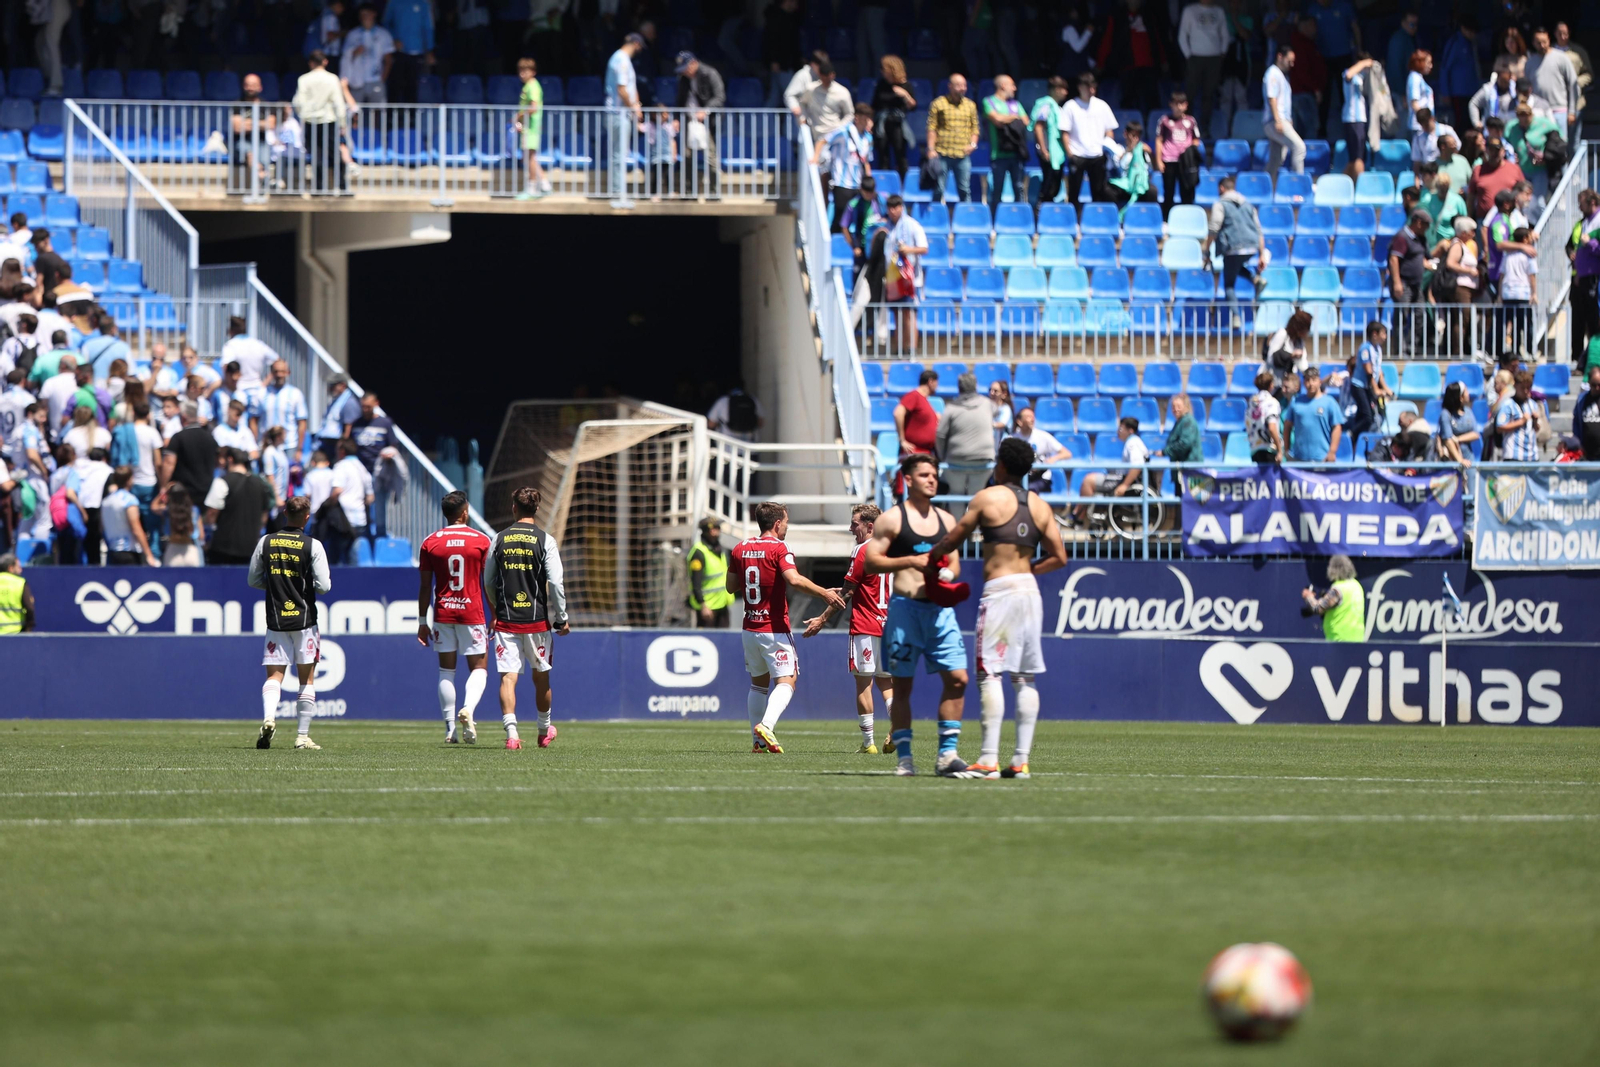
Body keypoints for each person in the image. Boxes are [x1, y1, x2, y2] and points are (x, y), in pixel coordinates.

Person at [863, 454, 982, 778]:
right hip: (905, 610)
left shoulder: (946, 518)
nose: (932, 479)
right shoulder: (892, 519)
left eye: (934, 474)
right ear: (909, 479)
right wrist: (911, 563)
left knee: (958, 679)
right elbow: (871, 562)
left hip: (940, 613)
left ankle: (947, 756)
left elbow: (954, 562)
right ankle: (905, 759)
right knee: (902, 687)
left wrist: (948, 575)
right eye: (925, 474)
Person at [728, 500, 846, 754]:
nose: (787, 528)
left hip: (750, 628)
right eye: (787, 523)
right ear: (778, 523)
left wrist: (755, 572)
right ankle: (767, 726)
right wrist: (823, 593)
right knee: (787, 680)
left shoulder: (740, 547)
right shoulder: (780, 547)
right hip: (774, 628)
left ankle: (757, 742)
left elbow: (731, 586)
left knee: (758, 684)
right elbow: (793, 579)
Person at [799, 503, 894, 752]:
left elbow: (848, 592)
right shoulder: (894, 550)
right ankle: (897, 726)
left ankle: (868, 743)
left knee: (864, 683)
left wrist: (822, 619)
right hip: (891, 626)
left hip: (865, 625)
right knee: (888, 682)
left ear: (869, 526)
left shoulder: (862, 550)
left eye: (855, 523)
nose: (851, 528)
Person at [486, 486, 570, 750]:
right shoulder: (546, 540)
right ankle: (544, 731)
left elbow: (488, 580)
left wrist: (496, 607)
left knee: (508, 678)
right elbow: (555, 583)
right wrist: (562, 617)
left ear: (514, 508)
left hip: (507, 620)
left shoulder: (498, 538)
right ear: (537, 509)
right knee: (541, 677)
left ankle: (512, 735)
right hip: (536, 622)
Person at [249, 496, 332, 750]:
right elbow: (325, 586)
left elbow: (253, 579)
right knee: (306, 679)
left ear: (285, 512)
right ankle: (302, 736)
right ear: (307, 517)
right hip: (305, 620)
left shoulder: (266, 542)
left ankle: (268, 718)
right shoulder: (313, 546)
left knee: (274, 676)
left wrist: (274, 587)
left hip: (276, 621)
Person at [417, 490, 494, 744]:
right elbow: (488, 584)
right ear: (464, 513)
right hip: (472, 613)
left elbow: (425, 586)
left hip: (443, 613)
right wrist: (494, 614)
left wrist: (421, 622)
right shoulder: (481, 541)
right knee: (480, 668)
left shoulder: (430, 541)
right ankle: (468, 710)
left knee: (445, 671)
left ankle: (450, 729)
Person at [204, 447, 272, 566]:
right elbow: (264, 516)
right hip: (250, 548)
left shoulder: (222, 482)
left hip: (223, 550)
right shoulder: (260, 484)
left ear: (230, 460)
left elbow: (211, 514)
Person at [1077, 416, 1153, 521]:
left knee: (1088, 481)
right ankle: (1078, 515)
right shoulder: (1134, 441)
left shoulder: (1133, 443)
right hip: (1123, 477)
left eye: (1121, 429)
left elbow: (1137, 466)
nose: (1118, 431)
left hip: (1125, 480)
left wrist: (1124, 485)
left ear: (1130, 431)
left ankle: (1078, 518)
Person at [1207, 175, 1268, 300]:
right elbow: (1259, 231)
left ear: (1221, 188)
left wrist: (1207, 250)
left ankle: (1235, 318)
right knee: (1235, 266)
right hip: (1252, 247)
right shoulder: (1248, 205)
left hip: (1232, 247)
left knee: (1229, 285)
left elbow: (1213, 229)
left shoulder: (1220, 204)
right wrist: (1261, 254)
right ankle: (1255, 279)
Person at [294, 52, 348, 194]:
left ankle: (319, 187)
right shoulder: (332, 79)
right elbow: (339, 103)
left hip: (311, 122)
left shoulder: (304, 79)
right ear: (325, 62)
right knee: (334, 153)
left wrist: (303, 116)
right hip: (329, 121)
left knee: (316, 155)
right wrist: (342, 122)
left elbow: (299, 102)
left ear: (310, 63)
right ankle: (342, 186)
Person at [675, 51, 726, 197]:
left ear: (693, 63)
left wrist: (706, 110)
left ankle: (714, 192)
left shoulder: (710, 73)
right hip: (689, 122)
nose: (684, 72)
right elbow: (680, 100)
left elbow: (720, 97)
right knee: (687, 156)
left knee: (710, 156)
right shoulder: (683, 78)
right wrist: (677, 118)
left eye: (686, 68)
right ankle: (690, 191)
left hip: (707, 123)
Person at [1062, 72, 1119, 203]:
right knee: (1074, 192)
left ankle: (1096, 220)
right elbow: (1065, 132)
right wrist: (1070, 154)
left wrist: (1106, 149)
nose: (1091, 90)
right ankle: (1074, 219)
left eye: (1093, 87)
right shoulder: (1070, 106)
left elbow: (1109, 130)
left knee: (1098, 192)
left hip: (1098, 156)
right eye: (1088, 87)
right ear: (1080, 87)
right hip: (1077, 155)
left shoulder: (1102, 105)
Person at [935, 372, 995, 496]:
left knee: (956, 494)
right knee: (977, 495)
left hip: (956, 459)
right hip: (983, 459)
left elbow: (940, 434)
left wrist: (942, 456)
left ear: (959, 387)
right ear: (975, 386)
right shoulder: (988, 404)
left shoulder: (951, 408)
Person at [881, 195, 928, 352]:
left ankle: (911, 349)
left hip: (909, 279)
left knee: (909, 313)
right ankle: (899, 349)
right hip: (892, 278)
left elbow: (924, 248)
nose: (893, 211)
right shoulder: (887, 226)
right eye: (890, 208)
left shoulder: (913, 225)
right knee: (896, 314)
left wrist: (908, 250)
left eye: (896, 207)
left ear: (902, 207)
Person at [604, 34, 646, 208]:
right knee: (618, 155)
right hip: (618, 113)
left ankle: (618, 193)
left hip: (620, 112)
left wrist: (636, 103)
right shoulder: (621, 59)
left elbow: (629, 87)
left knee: (619, 154)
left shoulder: (622, 59)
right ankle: (618, 195)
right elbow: (622, 89)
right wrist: (634, 108)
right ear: (636, 44)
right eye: (641, 46)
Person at [925, 73, 980, 204]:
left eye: (964, 85)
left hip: (962, 155)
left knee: (964, 190)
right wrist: (931, 149)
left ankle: (966, 218)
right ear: (950, 86)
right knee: (938, 189)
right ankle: (935, 217)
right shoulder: (938, 103)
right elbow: (932, 128)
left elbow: (975, 128)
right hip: (942, 153)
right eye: (959, 85)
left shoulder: (970, 105)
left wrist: (973, 144)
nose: (963, 88)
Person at [819, 103, 875, 231]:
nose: (868, 121)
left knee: (858, 219)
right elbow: (823, 140)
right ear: (857, 118)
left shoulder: (868, 138)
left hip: (858, 185)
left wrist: (868, 179)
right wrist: (815, 158)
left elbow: (866, 161)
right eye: (865, 118)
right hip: (842, 182)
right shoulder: (844, 132)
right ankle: (834, 245)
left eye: (869, 118)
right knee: (840, 218)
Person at [1178, 0, 1231, 133]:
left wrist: (1222, 52)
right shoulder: (1190, 10)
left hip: (1214, 58)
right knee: (1190, 94)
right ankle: (1187, 127)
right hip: (1195, 57)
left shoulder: (1219, 11)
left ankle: (1205, 127)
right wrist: (1189, 56)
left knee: (1209, 95)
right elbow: (1182, 35)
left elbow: (1225, 34)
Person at [982, 76, 1029, 216]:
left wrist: (1005, 118)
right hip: (998, 155)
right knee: (997, 190)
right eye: (1012, 85)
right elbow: (996, 120)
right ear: (1003, 85)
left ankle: (1019, 219)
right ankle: (995, 220)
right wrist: (1014, 117)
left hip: (1016, 154)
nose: (1014, 88)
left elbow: (1026, 121)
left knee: (1019, 188)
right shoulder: (988, 101)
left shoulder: (1015, 104)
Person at [1388, 210, 1431, 355]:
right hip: (1403, 283)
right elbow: (1394, 259)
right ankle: (1400, 351)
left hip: (1416, 285)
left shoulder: (1420, 239)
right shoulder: (1402, 237)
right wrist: (1397, 283)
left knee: (1420, 315)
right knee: (1402, 317)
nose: (1427, 228)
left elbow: (1422, 257)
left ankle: (1412, 348)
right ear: (1418, 223)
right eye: (1426, 225)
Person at [1526, 28, 1581, 141]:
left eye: (1544, 41)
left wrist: (1572, 111)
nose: (1542, 45)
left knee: (1560, 145)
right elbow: (1527, 89)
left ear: (1549, 40)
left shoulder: (1561, 58)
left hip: (1559, 110)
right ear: (1533, 43)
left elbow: (1573, 85)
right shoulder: (1530, 63)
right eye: (1538, 43)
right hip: (1538, 112)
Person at [100, 465, 160, 566]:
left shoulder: (106, 502)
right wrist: (148, 554)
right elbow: (136, 528)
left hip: (112, 551)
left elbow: (102, 528)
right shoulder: (129, 500)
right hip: (128, 551)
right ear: (129, 480)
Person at [1155, 91, 1203, 214]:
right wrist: (1159, 161)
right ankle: (1167, 218)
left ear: (1186, 105)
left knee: (1186, 191)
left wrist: (1188, 152)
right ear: (1171, 105)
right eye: (1176, 104)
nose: (1179, 107)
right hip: (1169, 160)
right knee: (1168, 191)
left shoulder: (1191, 121)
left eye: (1181, 104)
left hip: (1185, 163)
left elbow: (1196, 139)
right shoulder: (1164, 121)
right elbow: (1159, 140)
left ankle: (1187, 217)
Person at [871, 55, 917, 183]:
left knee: (900, 156)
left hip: (897, 124)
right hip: (882, 124)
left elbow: (913, 106)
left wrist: (904, 95)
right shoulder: (881, 84)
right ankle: (884, 185)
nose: (882, 72)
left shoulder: (905, 85)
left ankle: (903, 185)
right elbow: (874, 105)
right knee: (883, 157)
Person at [1284, 367, 1344, 462]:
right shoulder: (1296, 402)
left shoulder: (1329, 402)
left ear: (1319, 382)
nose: (1311, 384)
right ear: (1303, 383)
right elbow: (1287, 426)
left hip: (1322, 459)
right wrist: (1286, 450)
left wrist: (1332, 452)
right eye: (1307, 380)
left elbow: (1337, 427)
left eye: (1314, 380)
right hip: (1298, 459)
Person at [1301, 554, 1364, 642]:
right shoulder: (1357, 586)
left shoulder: (1338, 589)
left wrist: (1308, 596)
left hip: (1339, 641)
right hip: (1358, 640)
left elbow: (1317, 608)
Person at [1264, 42, 1304, 178]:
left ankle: (1266, 188)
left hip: (1280, 120)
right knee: (1299, 148)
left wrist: (1288, 119)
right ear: (1280, 56)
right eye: (1289, 61)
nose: (1291, 65)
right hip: (1275, 121)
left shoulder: (1281, 75)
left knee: (1276, 160)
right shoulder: (1273, 73)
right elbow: (1272, 98)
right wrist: (1278, 121)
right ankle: (1298, 184)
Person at [381, 0, 434, 103]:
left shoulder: (423, 4)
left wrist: (429, 50)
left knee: (413, 86)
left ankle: (411, 118)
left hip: (417, 52)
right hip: (397, 51)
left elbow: (428, 28)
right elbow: (386, 23)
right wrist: (394, 39)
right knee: (394, 85)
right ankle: (392, 117)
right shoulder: (394, 3)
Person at [513, 57, 552, 200]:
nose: (522, 74)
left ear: (533, 72)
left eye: (525, 71)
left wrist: (519, 116)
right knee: (530, 157)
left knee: (530, 158)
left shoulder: (532, 86)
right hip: (527, 127)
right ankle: (545, 185)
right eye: (520, 71)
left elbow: (534, 107)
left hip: (531, 127)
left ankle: (532, 188)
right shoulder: (527, 86)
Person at [1031, 76, 1071, 210]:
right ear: (1055, 90)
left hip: (1057, 153)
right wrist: (1043, 149)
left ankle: (1048, 212)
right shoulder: (1046, 104)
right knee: (1048, 185)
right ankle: (1040, 212)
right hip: (1048, 151)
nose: (1065, 93)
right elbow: (1038, 127)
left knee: (1055, 184)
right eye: (1063, 89)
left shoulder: (1057, 107)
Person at [686, 517, 734, 627]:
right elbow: (696, 583)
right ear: (710, 530)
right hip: (708, 608)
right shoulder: (699, 552)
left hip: (722, 604)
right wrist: (703, 606)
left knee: (724, 639)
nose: (719, 530)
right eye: (716, 528)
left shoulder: (717, 548)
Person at [342, 3, 394, 104]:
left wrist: (382, 80)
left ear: (374, 14)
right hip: (356, 80)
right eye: (361, 15)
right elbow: (345, 59)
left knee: (377, 112)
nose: (364, 17)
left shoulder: (383, 34)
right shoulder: (352, 34)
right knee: (353, 111)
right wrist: (355, 52)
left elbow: (388, 60)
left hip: (376, 79)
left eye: (366, 14)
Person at [1346, 319, 1389, 441]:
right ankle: (1351, 434)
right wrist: (1375, 389)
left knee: (1362, 416)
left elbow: (1378, 371)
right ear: (1375, 334)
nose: (1385, 337)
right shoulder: (1365, 348)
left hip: (1367, 387)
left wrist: (1385, 388)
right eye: (1383, 333)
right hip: (1359, 386)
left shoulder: (1378, 349)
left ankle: (1357, 442)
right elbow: (1368, 371)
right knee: (1368, 417)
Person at [331, 438, 373, 560]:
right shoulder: (362, 468)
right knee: (354, 555)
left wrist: (328, 504)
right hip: (360, 518)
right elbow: (370, 497)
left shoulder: (341, 466)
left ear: (342, 451)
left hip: (343, 519)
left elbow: (337, 490)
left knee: (339, 557)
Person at [1501, 226, 1539, 359]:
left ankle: (1515, 351)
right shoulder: (1528, 255)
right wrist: (1534, 293)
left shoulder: (1508, 255)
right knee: (1525, 324)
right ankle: (1529, 351)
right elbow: (1532, 276)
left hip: (1508, 293)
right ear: (1524, 239)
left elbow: (1502, 274)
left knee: (1511, 323)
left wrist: (1500, 294)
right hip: (1522, 293)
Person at [1467, 139, 1525, 218]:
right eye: (1491, 150)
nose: (1494, 153)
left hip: (1510, 218)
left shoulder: (1514, 169)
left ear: (1503, 151)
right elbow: (1471, 197)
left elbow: (1523, 191)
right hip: (1483, 220)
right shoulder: (1478, 170)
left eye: (1497, 150)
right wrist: (1469, 216)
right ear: (1487, 151)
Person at [1107, 120, 1157, 208]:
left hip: (1140, 185)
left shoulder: (1144, 151)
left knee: (1152, 191)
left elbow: (1154, 169)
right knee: (1107, 190)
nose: (1135, 139)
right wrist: (1128, 151)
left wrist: (1150, 153)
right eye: (1133, 135)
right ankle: (1115, 217)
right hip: (1124, 185)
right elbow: (1118, 166)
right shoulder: (1119, 149)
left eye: (1138, 136)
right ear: (1125, 134)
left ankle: (1148, 217)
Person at [894, 368, 939, 460]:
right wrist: (902, 440)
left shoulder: (925, 400)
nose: (937, 387)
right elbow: (898, 413)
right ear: (930, 382)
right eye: (936, 383)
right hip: (913, 453)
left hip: (924, 453)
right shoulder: (914, 396)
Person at [1262, 308, 1312, 391]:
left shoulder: (1299, 342)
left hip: (1288, 385)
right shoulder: (1282, 334)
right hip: (1273, 384)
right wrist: (1290, 356)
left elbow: (1303, 365)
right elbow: (1271, 358)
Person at [1495, 368, 1540, 461]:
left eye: (1528, 388)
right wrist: (1521, 422)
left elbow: (1536, 429)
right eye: (1523, 388)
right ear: (1515, 386)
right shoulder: (1508, 404)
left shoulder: (1533, 404)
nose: (1526, 391)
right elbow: (1499, 427)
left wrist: (1535, 422)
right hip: (1513, 456)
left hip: (1532, 456)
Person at [1435, 381, 1480, 465]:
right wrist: (1460, 460)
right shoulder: (1445, 414)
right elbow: (1448, 440)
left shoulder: (1468, 411)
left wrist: (1458, 439)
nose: (1468, 393)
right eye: (1466, 391)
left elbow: (1475, 434)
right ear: (1460, 397)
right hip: (1452, 460)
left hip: (1469, 457)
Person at [317, 372, 361, 458]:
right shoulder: (337, 400)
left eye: (333, 385)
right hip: (327, 441)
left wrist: (341, 446)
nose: (330, 388)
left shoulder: (349, 402)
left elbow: (349, 426)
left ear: (343, 385)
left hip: (337, 443)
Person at [1243, 371, 1283, 462]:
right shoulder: (1272, 402)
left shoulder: (1251, 402)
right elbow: (1272, 427)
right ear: (1271, 385)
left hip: (1255, 448)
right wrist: (1280, 450)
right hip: (1269, 449)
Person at [0, 553, 34, 634]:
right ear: (11, 568)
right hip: (16, 634)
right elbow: (29, 608)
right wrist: (28, 628)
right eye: (18, 567)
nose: (21, 570)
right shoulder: (20, 583)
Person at [1573, 365, 1600, 461]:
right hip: (1587, 455)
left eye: (1599, 385)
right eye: (1594, 385)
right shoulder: (1582, 400)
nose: (1597, 388)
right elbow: (1576, 423)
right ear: (1588, 382)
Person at [1406, 49, 1434, 131]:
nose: (1431, 66)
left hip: (1423, 125)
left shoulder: (1419, 77)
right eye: (1428, 63)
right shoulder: (1414, 78)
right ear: (1420, 63)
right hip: (1419, 126)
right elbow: (1414, 103)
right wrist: (1425, 122)